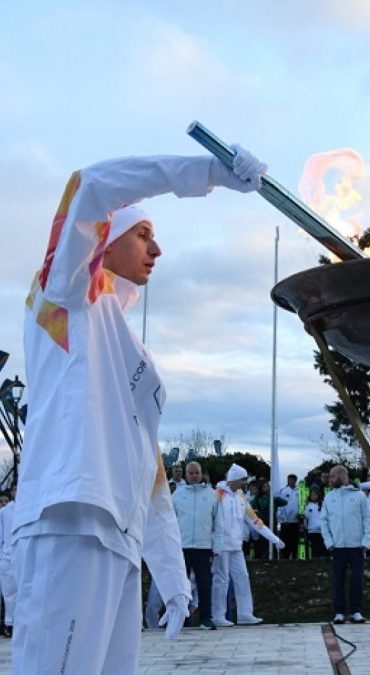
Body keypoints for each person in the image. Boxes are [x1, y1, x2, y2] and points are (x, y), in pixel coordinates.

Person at [13, 146, 265, 674]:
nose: (158, 249)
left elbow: (148, 472)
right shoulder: (62, 297)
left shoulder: (128, 346)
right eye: (143, 233)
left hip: (119, 539)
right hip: (69, 521)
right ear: (105, 235)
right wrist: (210, 172)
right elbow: (90, 184)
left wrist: (172, 580)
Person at [211, 464, 285, 627]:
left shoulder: (242, 498)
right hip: (221, 546)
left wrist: (274, 538)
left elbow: (255, 521)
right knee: (221, 581)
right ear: (235, 479)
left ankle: (245, 613)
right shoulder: (217, 495)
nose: (246, 482)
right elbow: (208, 519)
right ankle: (217, 615)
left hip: (236, 546)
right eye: (244, 479)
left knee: (242, 577)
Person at [321, 465, 370, 624]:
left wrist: (366, 542)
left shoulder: (359, 496)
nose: (330, 480)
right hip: (337, 547)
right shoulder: (329, 497)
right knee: (338, 580)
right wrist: (329, 542)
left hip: (357, 546)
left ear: (343, 476)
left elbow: (368, 519)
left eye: (332, 477)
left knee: (357, 580)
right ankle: (339, 612)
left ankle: (356, 611)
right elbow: (324, 522)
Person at [171, 460, 218, 629]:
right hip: (182, 546)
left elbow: (218, 522)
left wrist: (216, 545)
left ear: (201, 474)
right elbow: (171, 521)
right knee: (182, 585)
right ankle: (182, 618)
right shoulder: (177, 495)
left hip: (203, 546)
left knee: (204, 584)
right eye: (190, 473)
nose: (194, 476)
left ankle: (206, 618)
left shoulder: (211, 495)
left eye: (197, 473)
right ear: (185, 474)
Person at [0, 489, 16, 637]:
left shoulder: (28, 507)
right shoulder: (5, 512)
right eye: (16, 490)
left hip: (23, 554)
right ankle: (9, 625)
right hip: (8, 556)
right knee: (9, 593)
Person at [277, 474, 301, 560]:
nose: (291, 481)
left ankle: (295, 557)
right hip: (285, 522)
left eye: (292, 480)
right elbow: (281, 506)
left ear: (295, 480)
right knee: (285, 540)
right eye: (289, 480)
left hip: (295, 521)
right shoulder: (283, 491)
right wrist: (283, 518)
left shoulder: (299, 491)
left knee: (294, 541)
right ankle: (284, 558)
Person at [304, 486, 326, 559]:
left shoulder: (323, 504)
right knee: (314, 548)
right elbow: (306, 517)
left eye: (315, 494)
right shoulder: (308, 505)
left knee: (321, 547)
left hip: (321, 531)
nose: (313, 496)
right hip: (312, 530)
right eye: (312, 495)